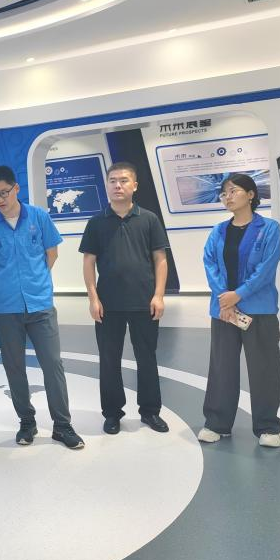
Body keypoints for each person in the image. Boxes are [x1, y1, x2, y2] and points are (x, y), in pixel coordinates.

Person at [0, 165, 84, 449]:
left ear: (16, 189)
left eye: (4, 192)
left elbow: (51, 253)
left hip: (40, 304)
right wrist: (6, 281)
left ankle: (63, 425)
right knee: (14, 367)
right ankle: (27, 422)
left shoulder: (39, 217)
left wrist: (35, 280)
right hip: (6, 307)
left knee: (52, 365)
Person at [80, 162, 170, 435]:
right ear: (107, 185)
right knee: (109, 361)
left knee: (147, 358)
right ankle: (112, 414)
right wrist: (93, 299)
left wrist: (159, 295)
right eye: (112, 181)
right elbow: (88, 262)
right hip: (108, 304)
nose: (117, 185)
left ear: (135, 185)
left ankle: (150, 411)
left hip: (144, 302)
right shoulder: (96, 222)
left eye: (123, 180)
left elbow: (160, 259)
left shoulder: (149, 219)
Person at [199, 173, 280, 447]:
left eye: (233, 190)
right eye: (224, 193)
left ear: (250, 194)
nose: (228, 196)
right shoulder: (218, 231)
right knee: (221, 368)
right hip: (224, 311)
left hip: (259, 310)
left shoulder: (269, 229)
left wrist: (239, 294)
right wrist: (225, 298)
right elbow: (210, 263)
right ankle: (217, 423)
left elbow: (266, 268)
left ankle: (267, 427)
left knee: (264, 369)